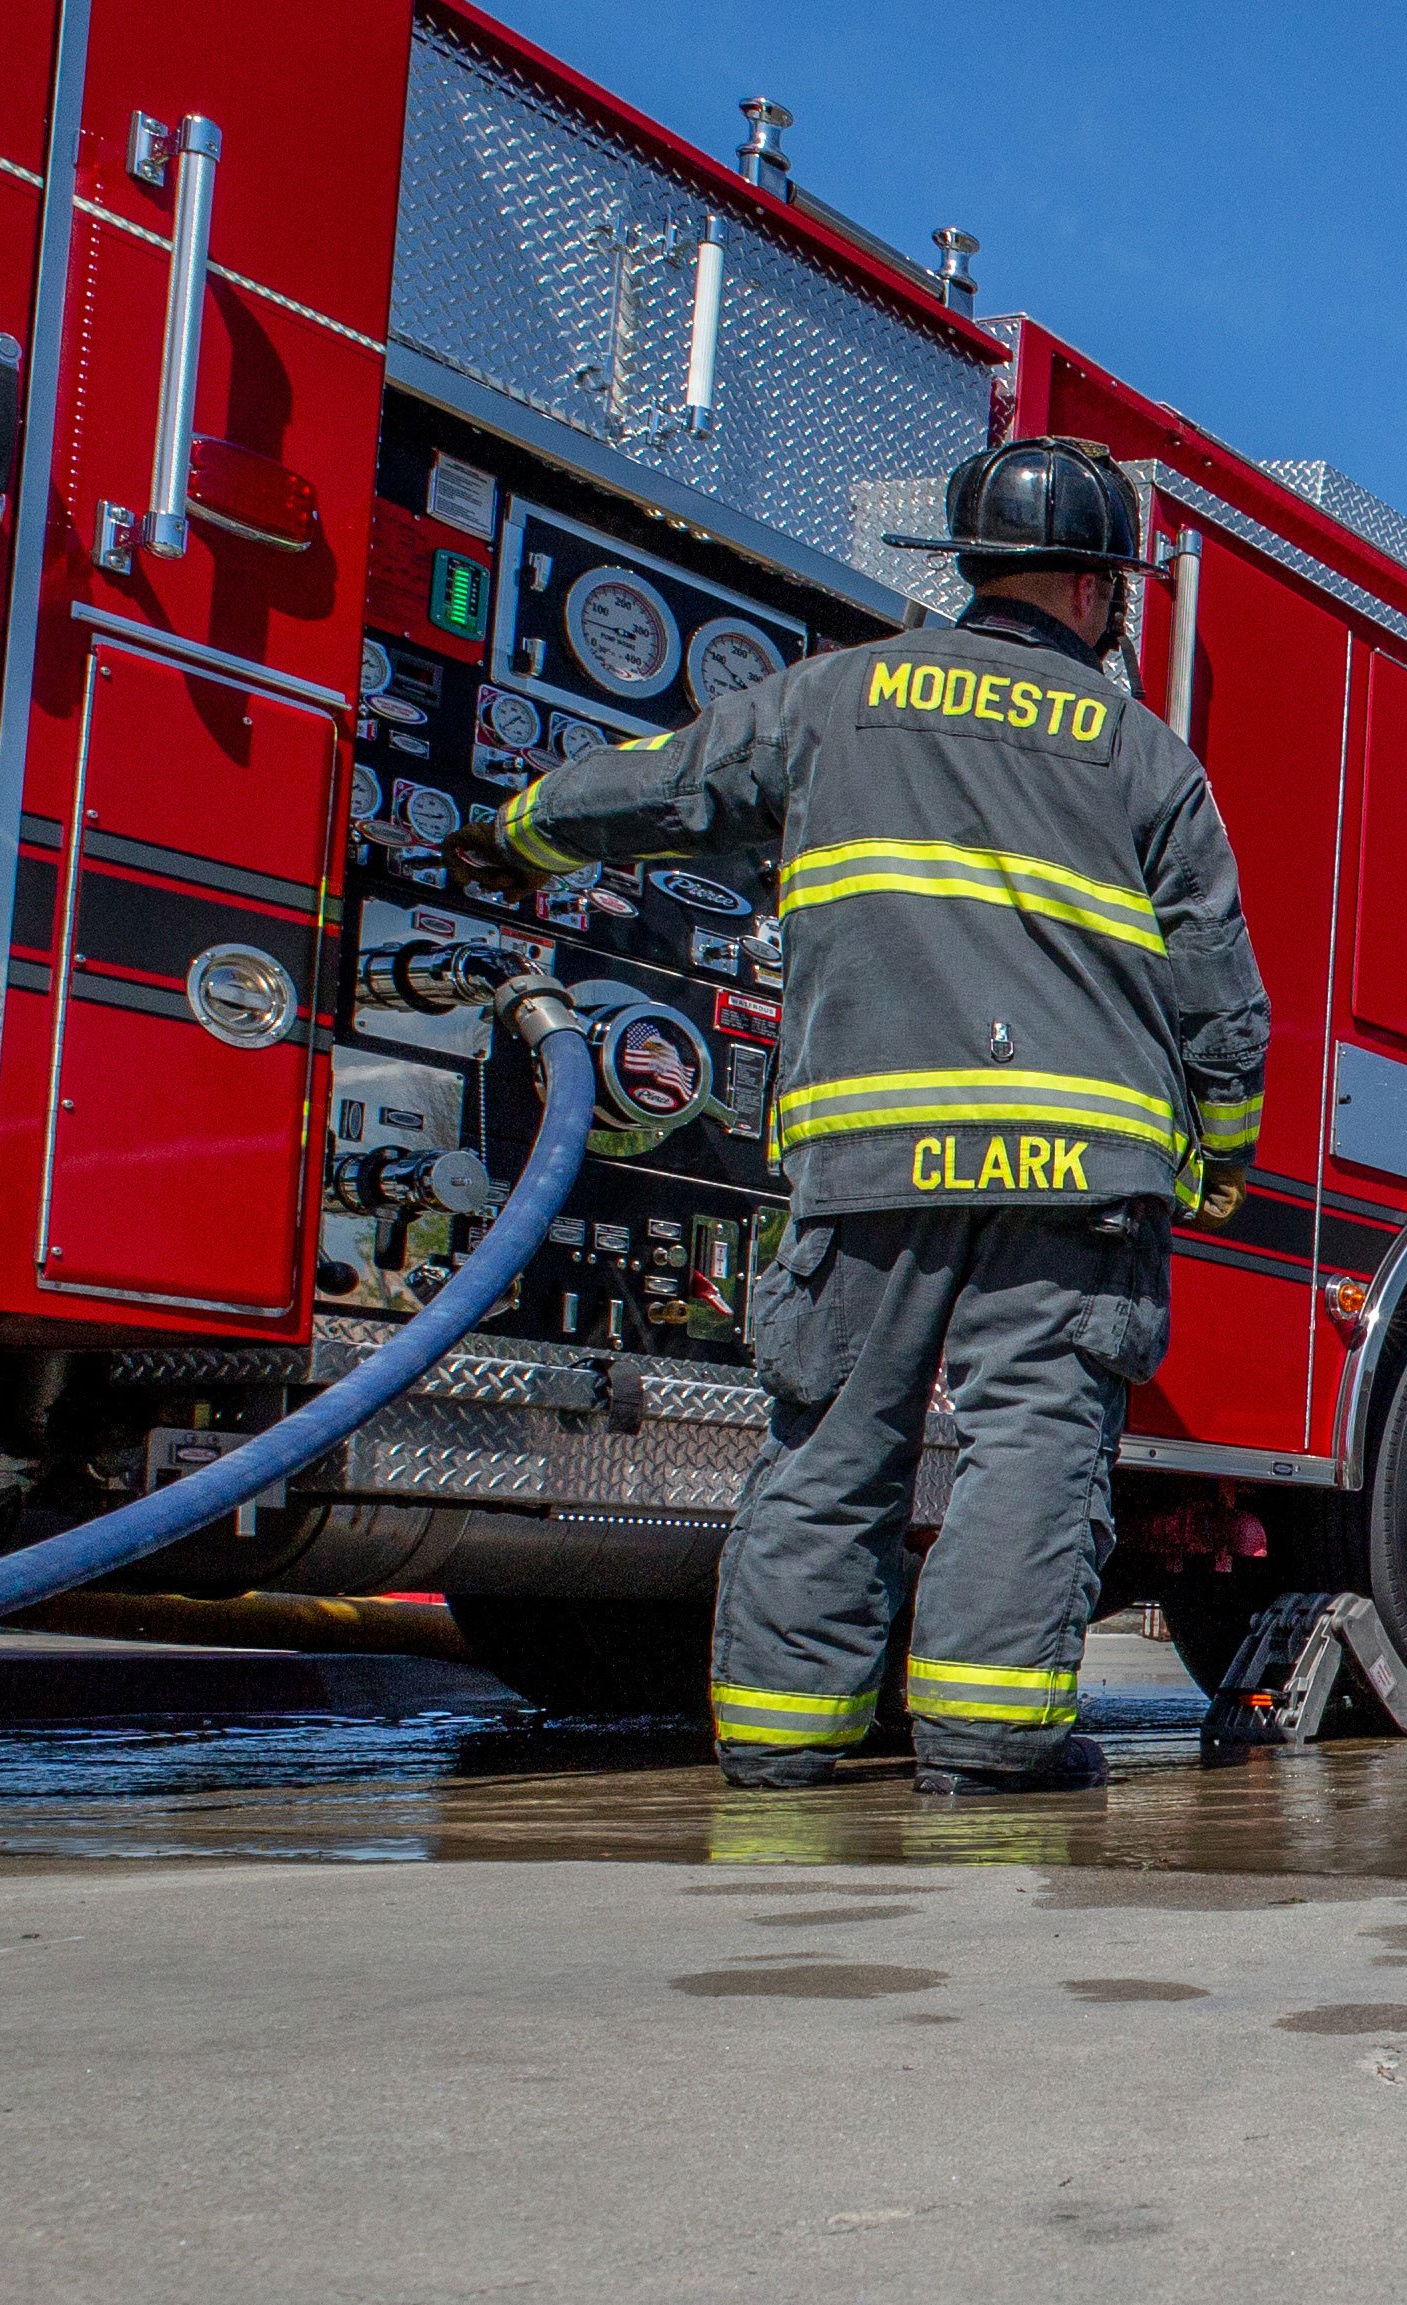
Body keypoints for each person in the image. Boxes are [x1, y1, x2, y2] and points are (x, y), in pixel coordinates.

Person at [484, 438, 1270, 1794]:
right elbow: (1220, 992)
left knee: (835, 1440)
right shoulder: (1144, 755)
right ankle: (989, 1740)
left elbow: (668, 786)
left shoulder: (834, 700)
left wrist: (520, 829)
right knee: (1031, 1447)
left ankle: (785, 1744)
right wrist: (1223, 1155)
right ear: (1097, 588)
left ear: (970, 565)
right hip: (1077, 1177)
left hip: (871, 1159)